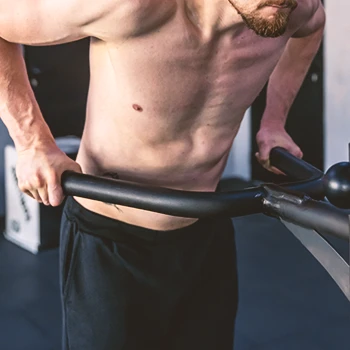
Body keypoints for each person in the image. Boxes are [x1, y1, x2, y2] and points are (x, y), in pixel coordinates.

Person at [0, 0, 325, 349]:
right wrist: (31, 140)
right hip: (111, 240)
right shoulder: (132, 7)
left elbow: (313, 27)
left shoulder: (289, 8)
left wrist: (274, 120)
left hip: (206, 226)